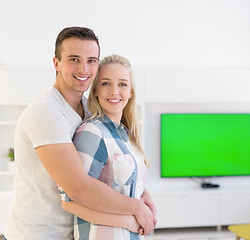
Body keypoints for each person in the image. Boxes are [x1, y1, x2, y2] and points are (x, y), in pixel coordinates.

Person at [4, 27, 156, 240]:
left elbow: (104, 175)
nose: (84, 69)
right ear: (56, 63)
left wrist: (141, 193)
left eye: (92, 60)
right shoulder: (47, 113)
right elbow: (77, 188)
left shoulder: (89, 110)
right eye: (74, 59)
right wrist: (136, 208)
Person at [60, 54, 150, 239]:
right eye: (106, 83)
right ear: (95, 91)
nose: (114, 91)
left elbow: (119, 184)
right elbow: (69, 200)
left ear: (131, 91)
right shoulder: (92, 131)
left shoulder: (126, 136)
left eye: (122, 84)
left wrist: (145, 197)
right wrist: (128, 220)